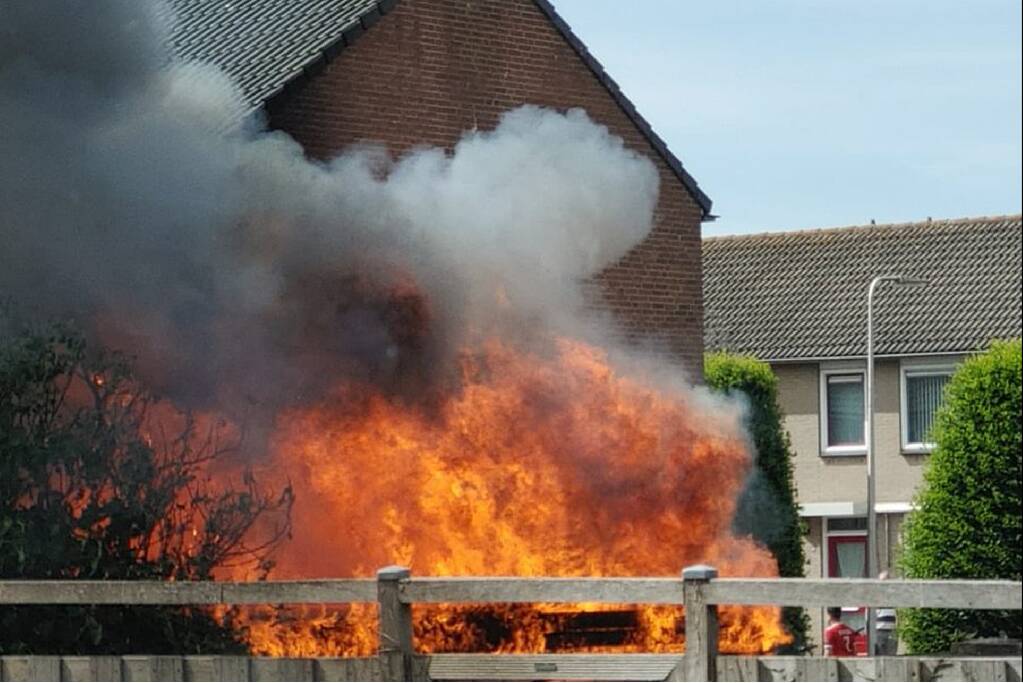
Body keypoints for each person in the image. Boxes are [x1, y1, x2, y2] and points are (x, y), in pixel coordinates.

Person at [874, 571, 898, 655]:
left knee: (892, 657)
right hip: (879, 631)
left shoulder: (893, 595)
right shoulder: (875, 595)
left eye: (888, 580)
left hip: (892, 631)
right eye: (883, 581)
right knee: (880, 656)